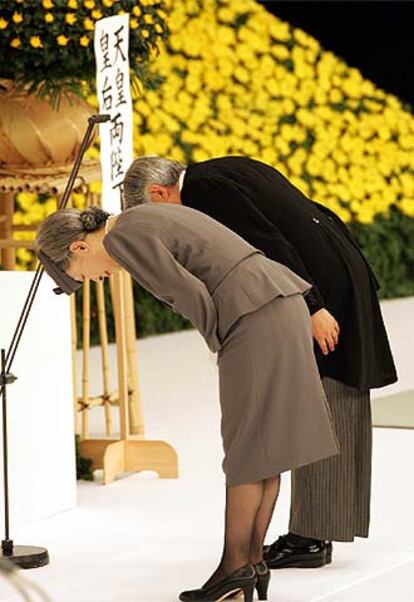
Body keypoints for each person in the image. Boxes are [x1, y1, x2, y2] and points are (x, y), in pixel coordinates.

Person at [36, 204, 338, 602]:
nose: (95, 279)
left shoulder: (121, 239)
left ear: (78, 247)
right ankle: (250, 565)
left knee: (248, 447)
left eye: (79, 276)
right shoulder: (137, 219)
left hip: (251, 312)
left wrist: (221, 341)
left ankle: (235, 570)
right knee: (266, 445)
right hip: (277, 297)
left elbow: (188, 292)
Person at [122, 155, 397, 568]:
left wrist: (311, 305)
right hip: (337, 264)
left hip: (319, 285)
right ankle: (316, 531)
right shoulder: (222, 167)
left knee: (321, 402)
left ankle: (310, 537)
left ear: (160, 195)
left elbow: (268, 241)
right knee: (334, 399)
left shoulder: (203, 191)